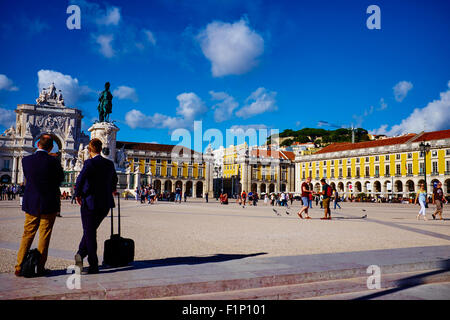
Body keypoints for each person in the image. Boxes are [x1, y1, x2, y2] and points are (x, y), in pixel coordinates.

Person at [15, 134, 64, 277]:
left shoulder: (26, 160)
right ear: (50, 148)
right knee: (45, 235)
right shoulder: (53, 161)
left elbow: (29, 178)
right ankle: (40, 268)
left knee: (27, 234)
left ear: (37, 145)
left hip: (31, 202)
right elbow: (60, 179)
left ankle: (19, 266)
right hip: (49, 203)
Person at [74, 138, 118, 274]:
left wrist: (77, 195)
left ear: (89, 150)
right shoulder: (109, 164)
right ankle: (79, 257)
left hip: (90, 203)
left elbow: (80, 180)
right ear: (100, 149)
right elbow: (114, 180)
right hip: (105, 204)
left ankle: (93, 265)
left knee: (90, 232)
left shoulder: (89, 163)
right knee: (89, 231)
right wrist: (111, 189)